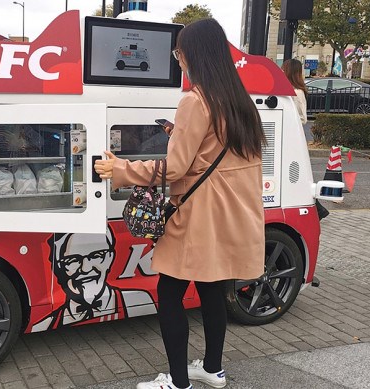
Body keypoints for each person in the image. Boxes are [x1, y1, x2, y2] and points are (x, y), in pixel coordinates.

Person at [95, 18, 265, 389]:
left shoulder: (194, 100)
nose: (178, 59)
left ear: (194, 54)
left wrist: (120, 168)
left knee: (170, 291)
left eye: (179, 52)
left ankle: (176, 382)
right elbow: (222, 158)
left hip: (197, 217)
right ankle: (213, 369)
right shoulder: (239, 101)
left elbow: (175, 168)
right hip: (231, 217)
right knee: (212, 290)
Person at [31, 226, 156, 331]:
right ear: (58, 266)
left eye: (97, 256)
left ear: (110, 257)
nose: (86, 268)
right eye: (73, 260)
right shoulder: (45, 323)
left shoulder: (142, 298)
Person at [281, 59, 308, 125]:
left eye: (283, 69)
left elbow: (302, 118)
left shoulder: (297, 92)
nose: (281, 71)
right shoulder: (285, 90)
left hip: (290, 131)